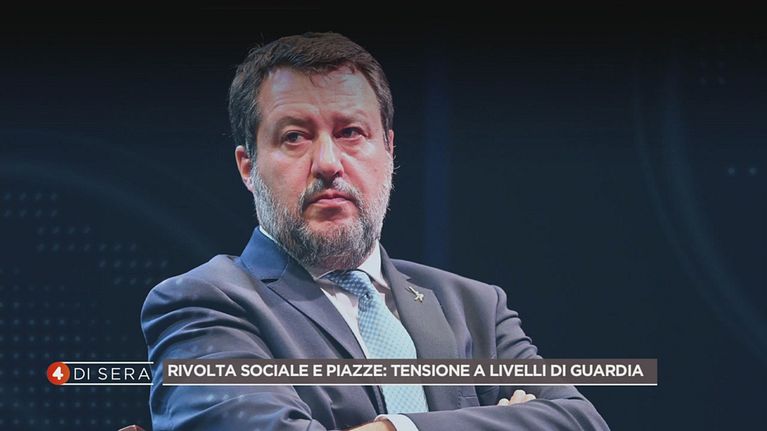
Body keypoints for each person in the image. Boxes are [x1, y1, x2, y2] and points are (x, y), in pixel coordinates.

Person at [141, 32, 609, 431]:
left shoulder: (476, 308)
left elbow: (578, 420)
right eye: (295, 136)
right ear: (248, 167)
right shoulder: (203, 304)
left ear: (388, 149)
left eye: (350, 132)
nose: (328, 163)